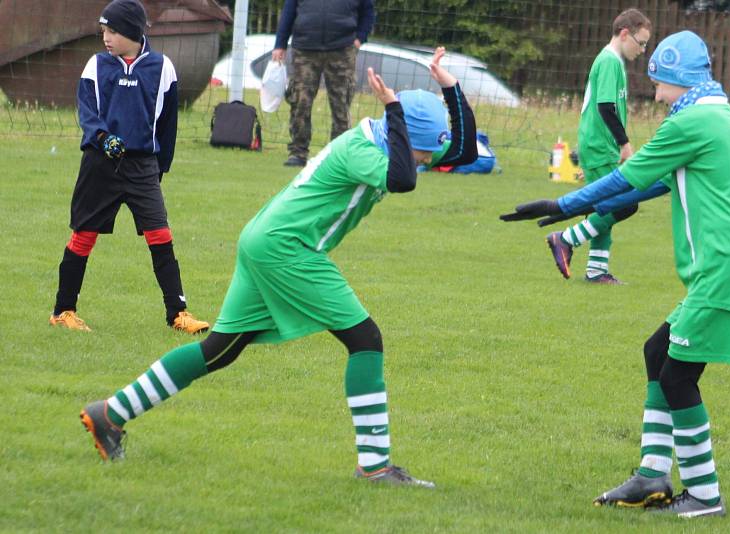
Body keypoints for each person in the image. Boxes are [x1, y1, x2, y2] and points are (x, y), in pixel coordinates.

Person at [80, 48, 477, 487]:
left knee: (219, 351)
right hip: (288, 250)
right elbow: (403, 178)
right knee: (366, 339)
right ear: (402, 135)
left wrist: (450, 88)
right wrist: (395, 108)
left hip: (265, 242)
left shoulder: (385, 143)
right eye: (422, 151)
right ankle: (376, 466)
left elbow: (460, 152)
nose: (425, 161)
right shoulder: (363, 151)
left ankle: (109, 414)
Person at [500, 31, 730, 517]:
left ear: (679, 79)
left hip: (727, 269)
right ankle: (652, 475)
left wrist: (563, 203)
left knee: (678, 378)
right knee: (657, 351)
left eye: (660, 84)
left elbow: (629, 175)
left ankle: (705, 497)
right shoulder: (724, 118)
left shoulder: (691, 121)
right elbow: (648, 186)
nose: (654, 93)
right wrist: (580, 226)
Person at [49, 0, 209, 334]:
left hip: (142, 168)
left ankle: (178, 314)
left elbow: (168, 124)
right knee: (83, 235)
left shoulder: (163, 67)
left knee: (160, 234)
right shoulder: (96, 65)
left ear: (133, 32)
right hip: (100, 164)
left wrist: (161, 166)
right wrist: (103, 137)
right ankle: (63, 311)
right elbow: (87, 111)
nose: (106, 37)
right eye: (104, 30)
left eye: (113, 31)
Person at [546, 9, 651, 285]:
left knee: (605, 208)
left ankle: (596, 271)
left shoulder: (613, 61)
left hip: (600, 148)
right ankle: (565, 239)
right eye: (640, 43)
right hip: (600, 147)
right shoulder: (609, 62)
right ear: (625, 34)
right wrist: (624, 144)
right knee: (625, 204)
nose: (642, 50)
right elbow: (605, 107)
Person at [272, 0, 376, 167]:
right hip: (304, 49)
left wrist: (359, 39)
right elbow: (288, 12)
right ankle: (298, 153)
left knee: (341, 105)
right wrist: (280, 44)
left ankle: (338, 155)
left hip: (342, 50)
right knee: (300, 102)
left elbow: (368, 12)